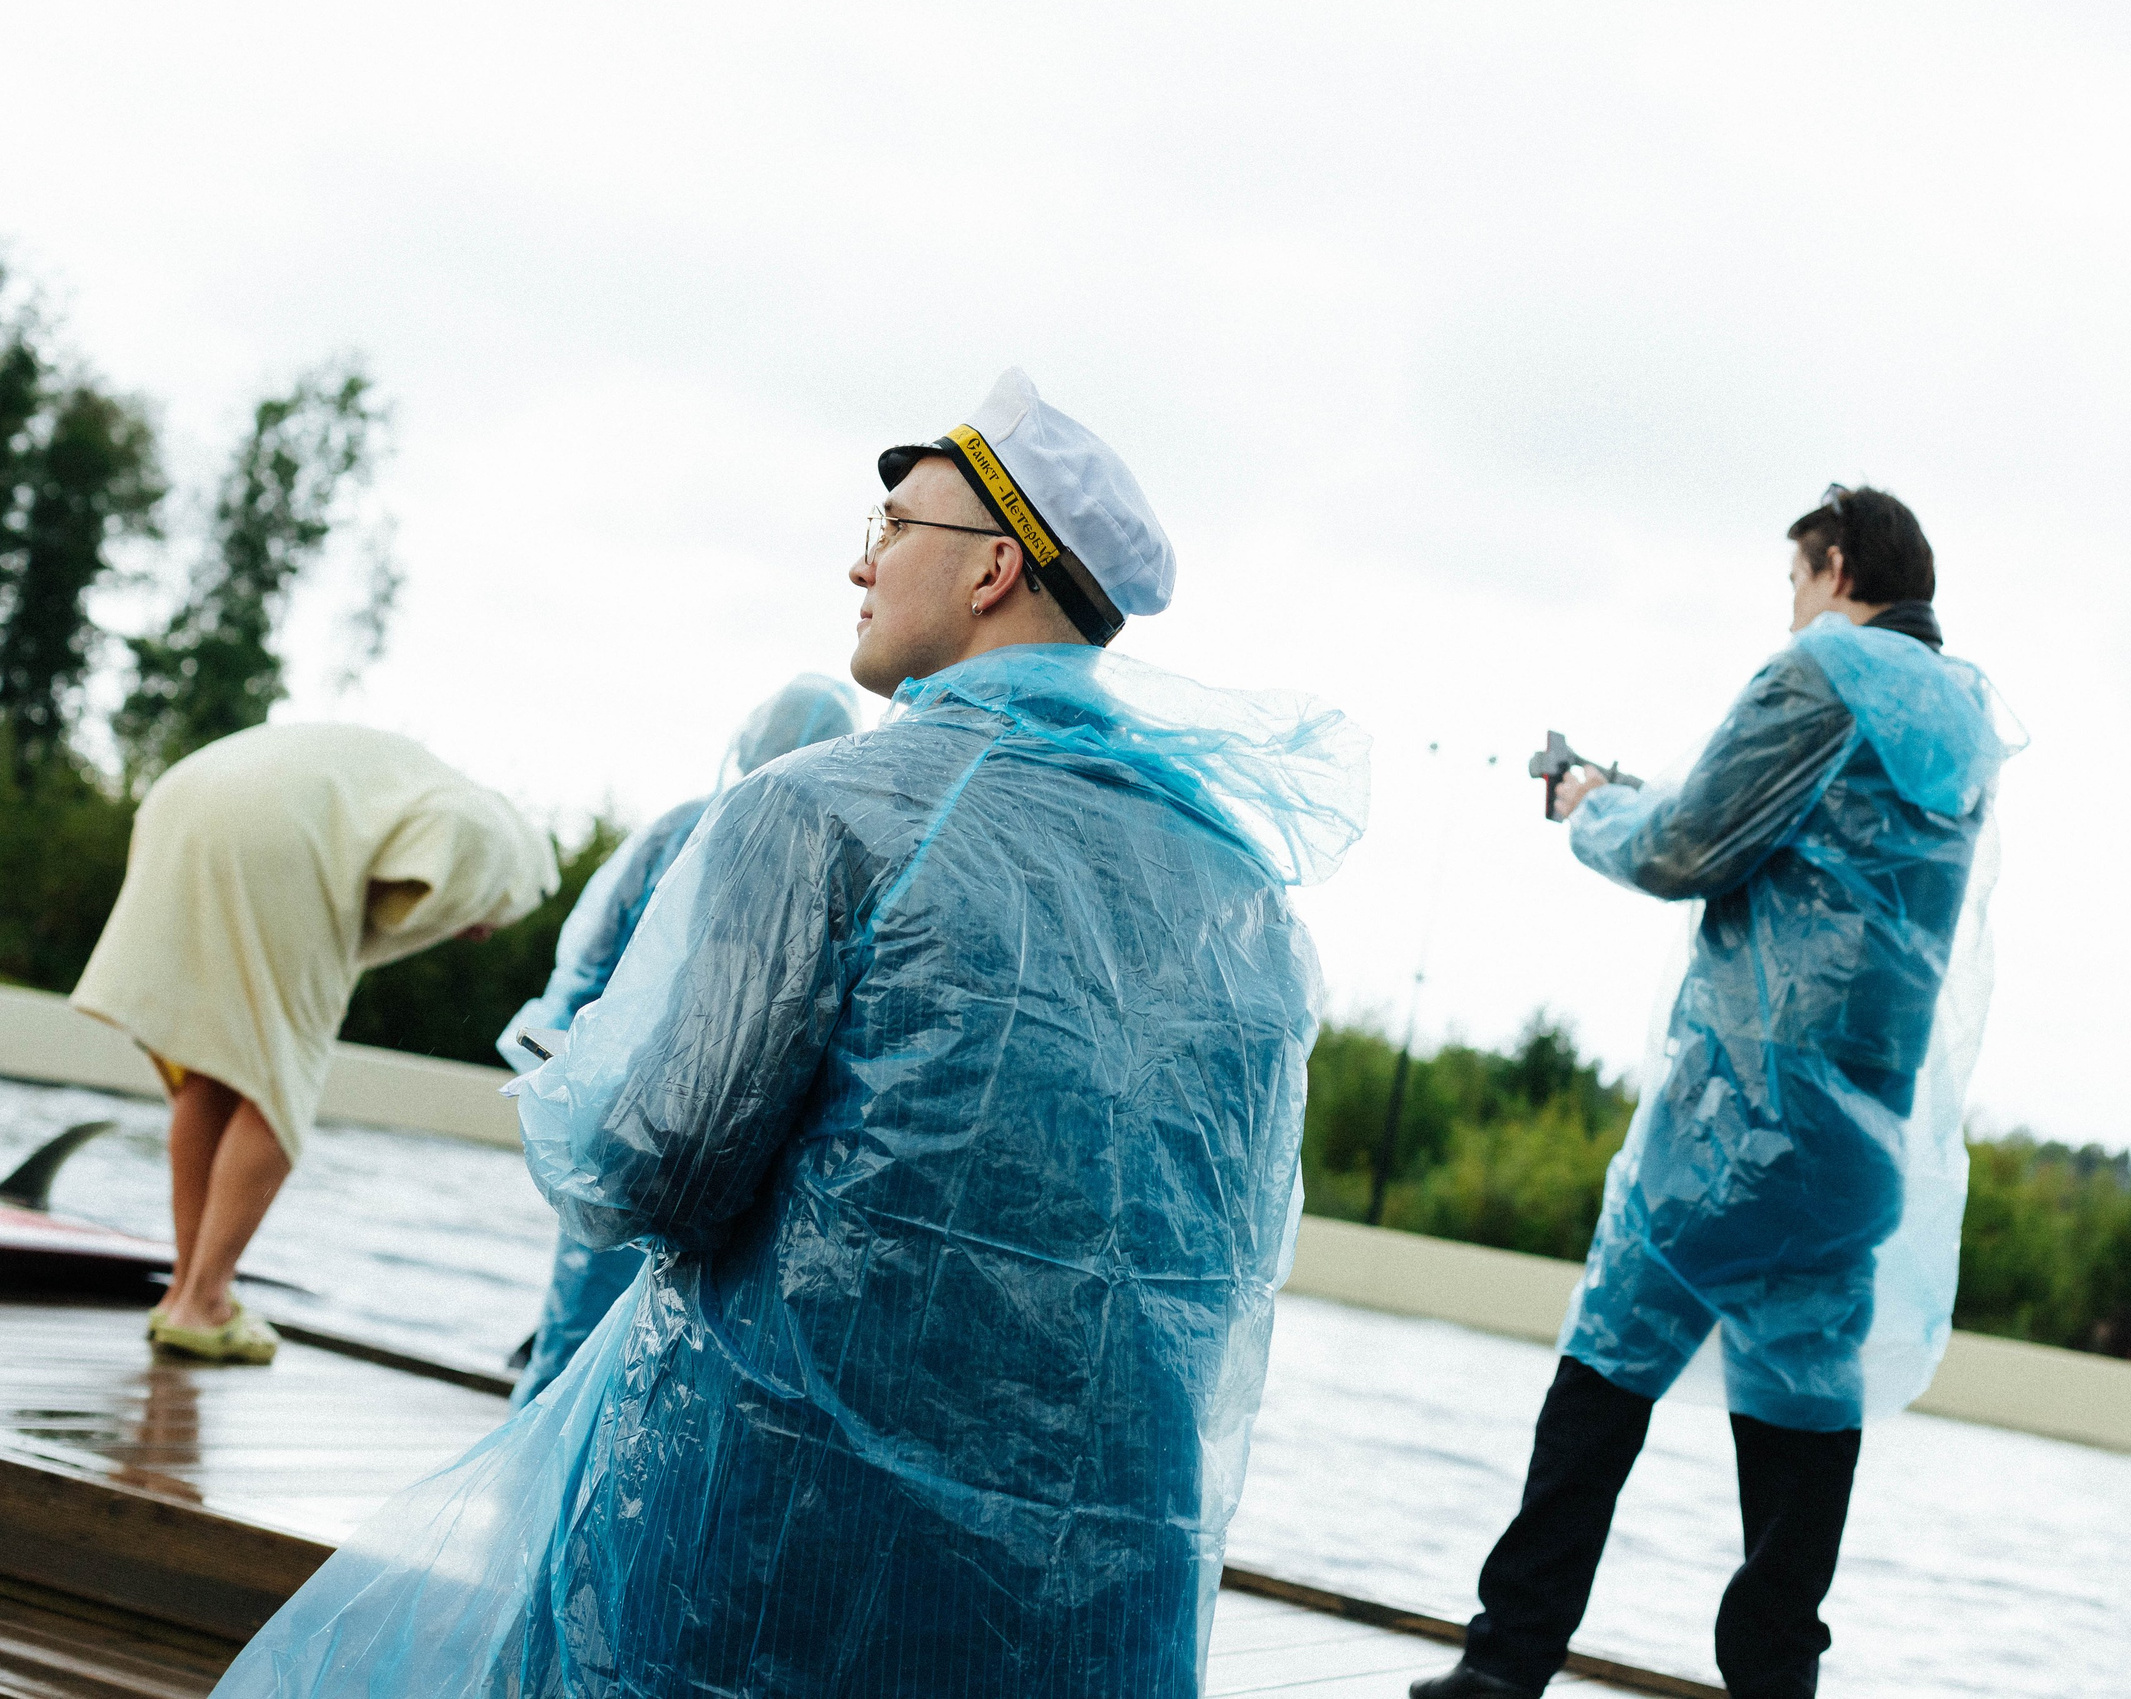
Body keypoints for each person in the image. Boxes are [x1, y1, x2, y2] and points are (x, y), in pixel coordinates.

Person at [209, 369, 1367, 1699]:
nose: (861, 561)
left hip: (776, 1541)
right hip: (1092, 1595)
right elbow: (1214, 1276)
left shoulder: (823, 812)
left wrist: (572, 1077)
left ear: (993, 567)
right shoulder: (1246, 898)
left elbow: (641, 1171)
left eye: (894, 525)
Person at [1414, 486, 2014, 1699]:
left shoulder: (1821, 671)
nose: (1790, 611)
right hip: (1850, 1143)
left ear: (1836, 568)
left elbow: (1684, 847)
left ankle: (1502, 1667)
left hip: (1731, 1124)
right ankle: (1775, 1689)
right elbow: (1814, 846)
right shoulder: (1962, 718)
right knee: (1802, 1427)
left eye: (1795, 582)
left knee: (1601, 1380)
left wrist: (1593, 807)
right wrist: (1650, 792)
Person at [70, 724, 557, 1365]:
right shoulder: (497, 828)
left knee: (212, 1062)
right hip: (275, 835)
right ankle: (204, 1301)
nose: (482, 935)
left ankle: (186, 1293)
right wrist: (463, 904)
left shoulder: (398, 777)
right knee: (280, 1078)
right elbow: (452, 854)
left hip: (184, 799)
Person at [497, 671, 862, 1407]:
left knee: (584, 1317)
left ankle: (544, 1448)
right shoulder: (833, 851)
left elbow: (586, 960)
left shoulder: (686, 831)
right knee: (680, 1353)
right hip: (729, 1144)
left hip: (624, 1117)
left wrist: (570, 1069)